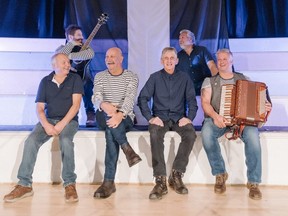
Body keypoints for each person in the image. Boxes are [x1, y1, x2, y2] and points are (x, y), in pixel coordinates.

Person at [3, 53, 84, 203]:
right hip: (49, 120)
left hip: (69, 120)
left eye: (68, 62)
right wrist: (46, 125)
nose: (68, 64)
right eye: (64, 62)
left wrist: (61, 124)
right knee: (31, 141)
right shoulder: (45, 82)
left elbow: (76, 105)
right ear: (54, 66)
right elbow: (40, 108)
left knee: (66, 140)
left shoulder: (75, 79)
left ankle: (70, 184)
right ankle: (24, 184)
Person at [200, 48, 272, 200]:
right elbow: (205, 102)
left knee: (253, 137)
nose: (222, 62)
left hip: (242, 122)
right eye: (219, 59)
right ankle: (220, 174)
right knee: (206, 133)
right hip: (218, 120)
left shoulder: (244, 78)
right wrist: (215, 116)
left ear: (232, 61)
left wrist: (264, 106)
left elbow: (256, 100)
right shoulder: (209, 81)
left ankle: (253, 183)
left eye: (225, 59)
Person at [138, 47, 198, 200]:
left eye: (172, 58)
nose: (169, 61)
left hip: (179, 117)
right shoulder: (155, 78)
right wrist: (150, 117)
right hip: (160, 117)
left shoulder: (184, 78)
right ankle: (160, 180)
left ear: (177, 61)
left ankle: (176, 174)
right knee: (155, 132)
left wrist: (189, 117)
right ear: (161, 61)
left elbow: (192, 100)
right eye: (166, 58)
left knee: (190, 133)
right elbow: (142, 98)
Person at [92, 47, 142, 199]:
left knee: (110, 130)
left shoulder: (131, 76)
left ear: (121, 59)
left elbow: (130, 98)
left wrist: (119, 114)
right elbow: (96, 97)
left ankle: (108, 183)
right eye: (107, 56)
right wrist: (104, 105)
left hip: (125, 116)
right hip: (104, 113)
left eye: (113, 56)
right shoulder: (100, 76)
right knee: (109, 120)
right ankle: (127, 149)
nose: (109, 59)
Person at [56, 24, 96, 127]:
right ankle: (70, 117)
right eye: (79, 35)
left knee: (88, 84)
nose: (82, 37)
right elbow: (60, 56)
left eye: (82, 35)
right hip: (67, 81)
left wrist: (70, 56)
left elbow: (90, 54)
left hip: (83, 79)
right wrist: (71, 43)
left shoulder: (86, 48)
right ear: (70, 36)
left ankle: (91, 113)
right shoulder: (61, 48)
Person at [176, 29, 218, 95]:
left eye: (182, 37)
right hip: (188, 92)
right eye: (179, 38)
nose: (180, 40)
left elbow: (212, 66)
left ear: (190, 39)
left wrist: (216, 81)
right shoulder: (178, 56)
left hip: (205, 89)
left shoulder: (202, 50)